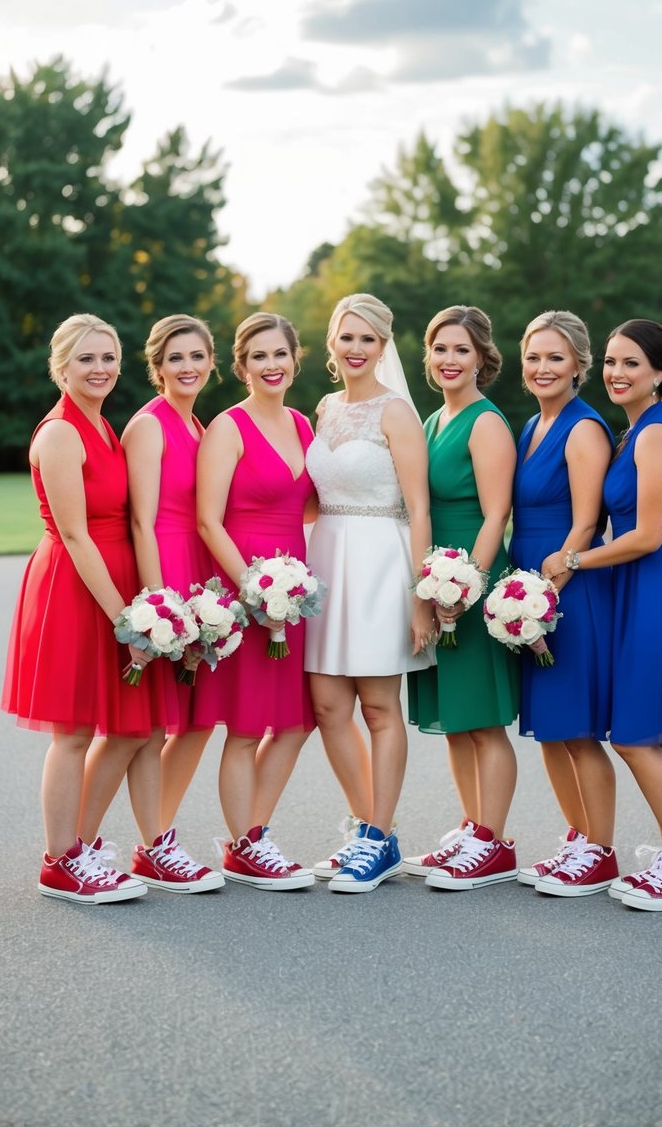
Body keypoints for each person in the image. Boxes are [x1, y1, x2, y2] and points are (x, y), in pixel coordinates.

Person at [543, 319, 662, 911]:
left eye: (631, 363)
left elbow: (648, 535)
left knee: (632, 735)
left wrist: (574, 557)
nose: (616, 373)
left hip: (660, 583)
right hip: (636, 585)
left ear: (658, 371)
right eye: (610, 361)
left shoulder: (655, 436)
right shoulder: (632, 435)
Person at [1, 313, 149, 904]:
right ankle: (59, 862)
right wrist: (127, 620)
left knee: (118, 726)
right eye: (86, 359)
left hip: (108, 580)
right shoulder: (60, 432)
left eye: (108, 357)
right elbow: (76, 535)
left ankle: (79, 849)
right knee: (72, 731)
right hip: (73, 584)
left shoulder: (103, 424)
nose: (100, 369)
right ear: (60, 366)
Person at [92, 314, 224, 893]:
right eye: (175, 358)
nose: (187, 367)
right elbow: (141, 522)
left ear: (212, 362)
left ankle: (155, 841)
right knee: (139, 725)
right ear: (157, 367)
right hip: (164, 573)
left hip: (198, 572)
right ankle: (82, 841)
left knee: (184, 720)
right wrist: (160, 605)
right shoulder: (150, 426)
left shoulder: (199, 424)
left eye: (197, 356)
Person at [305, 292, 431, 893]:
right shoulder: (325, 409)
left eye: (368, 339)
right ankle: (368, 828)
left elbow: (419, 506)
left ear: (383, 347)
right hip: (326, 559)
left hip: (382, 560)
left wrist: (421, 593)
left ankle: (379, 838)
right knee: (329, 707)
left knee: (380, 709)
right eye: (346, 337)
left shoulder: (397, 413)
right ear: (331, 342)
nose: (356, 349)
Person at [195, 312, 316, 889]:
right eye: (259, 356)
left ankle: (253, 834)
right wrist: (255, 588)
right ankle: (245, 844)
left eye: (280, 354)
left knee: (295, 721)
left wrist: (287, 586)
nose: (272, 365)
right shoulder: (229, 427)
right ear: (241, 367)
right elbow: (207, 519)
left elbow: (306, 504)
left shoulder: (302, 424)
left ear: (296, 359)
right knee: (245, 727)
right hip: (247, 588)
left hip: (295, 588)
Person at [406, 305, 520, 890]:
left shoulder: (486, 423)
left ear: (481, 358)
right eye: (440, 349)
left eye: (462, 350)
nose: (449, 360)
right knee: (455, 719)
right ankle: (473, 827)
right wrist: (428, 589)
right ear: (427, 355)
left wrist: (465, 587)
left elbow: (497, 513)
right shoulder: (430, 422)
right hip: (436, 576)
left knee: (484, 721)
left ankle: (494, 843)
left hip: (474, 574)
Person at [509, 310, 618, 897]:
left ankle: (600, 852)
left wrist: (540, 600)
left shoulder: (583, 430)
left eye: (555, 357)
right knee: (551, 729)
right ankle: (578, 840)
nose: (542, 367)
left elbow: (586, 524)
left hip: (565, 594)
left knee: (578, 731)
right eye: (534, 356)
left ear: (579, 363)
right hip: (529, 587)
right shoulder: (532, 427)